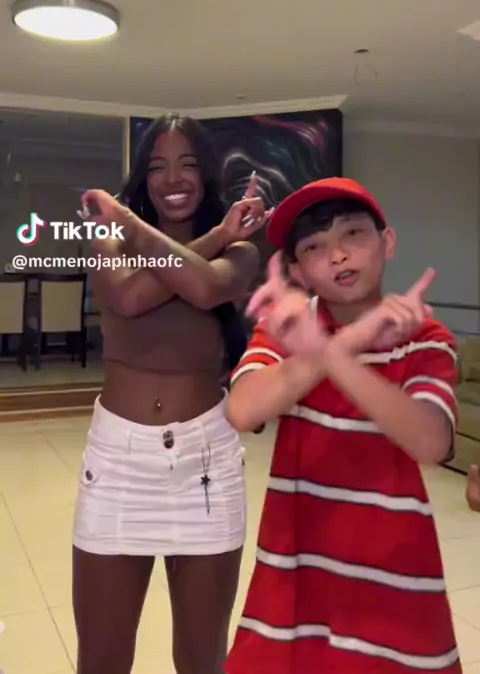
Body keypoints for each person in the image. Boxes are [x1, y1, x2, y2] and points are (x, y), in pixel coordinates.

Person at [224, 177, 461, 673]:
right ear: (297, 271)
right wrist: (349, 341)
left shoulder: (423, 336)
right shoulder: (286, 329)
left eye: (353, 233)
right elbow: (242, 410)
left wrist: (329, 352)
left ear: (387, 242)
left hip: (393, 588)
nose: (337, 255)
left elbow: (430, 442)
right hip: (293, 585)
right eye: (314, 246)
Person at [72, 114, 268, 674]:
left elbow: (204, 286)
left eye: (187, 164)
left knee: (201, 660)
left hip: (206, 460)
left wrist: (218, 239)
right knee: (102, 661)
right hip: (118, 463)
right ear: (143, 176)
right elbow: (129, 297)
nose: (173, 179)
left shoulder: (242, 252)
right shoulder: (110, 237)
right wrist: (210, 235)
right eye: (157, 167)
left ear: (206, 175)